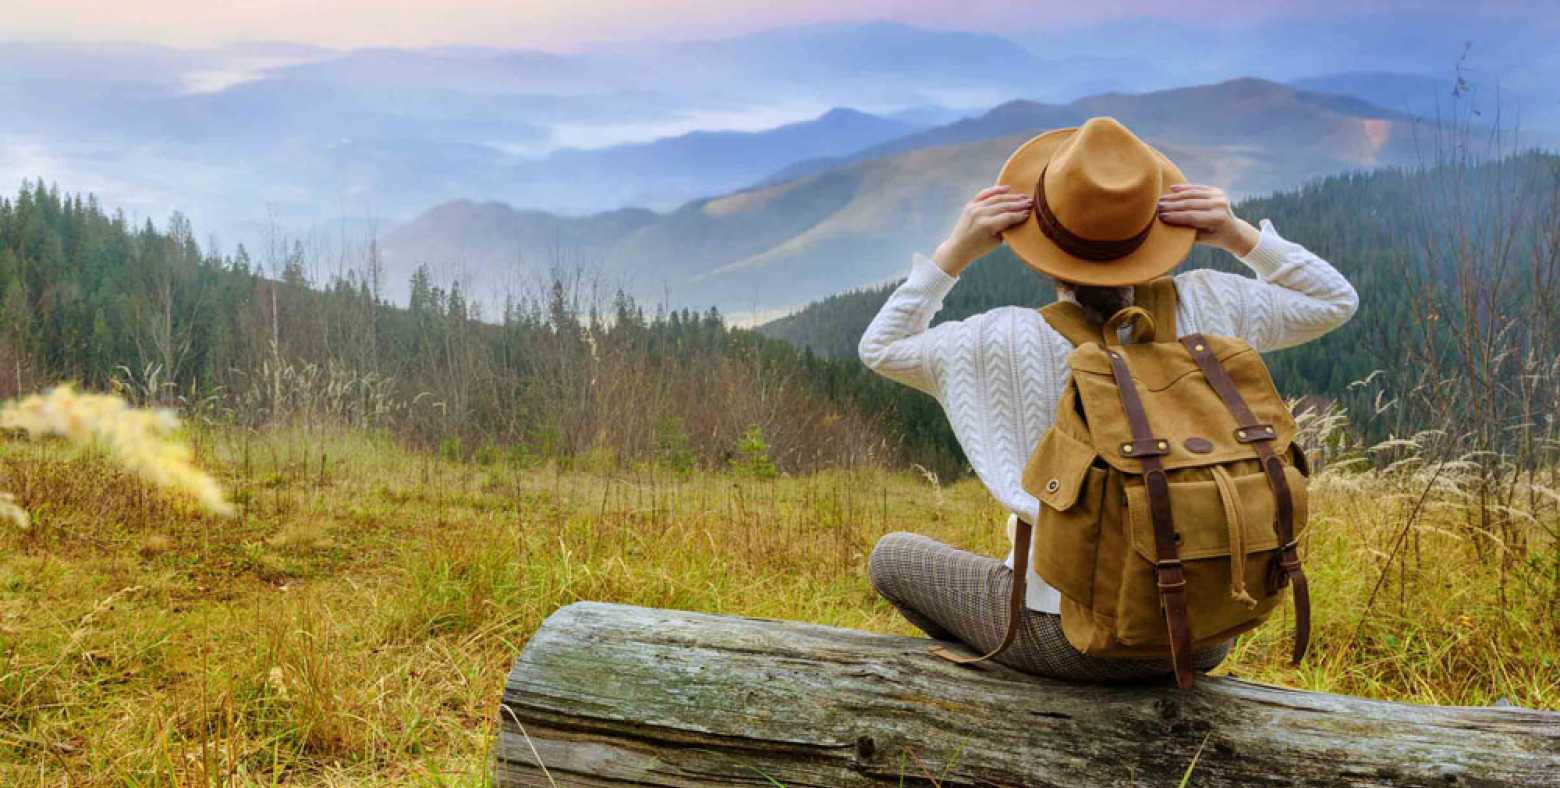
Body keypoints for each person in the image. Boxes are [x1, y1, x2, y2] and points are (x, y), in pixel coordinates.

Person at [858, 116, 1358, 681]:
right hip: (1204, 632)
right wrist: (1238, 234)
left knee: (893, 557)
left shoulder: (1000, 337)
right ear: (1157, 229)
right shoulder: (1212, 306)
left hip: (1065, 639)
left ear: (1034, 241)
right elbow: (1334, 300)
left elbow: (882, 346)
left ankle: (1027, 692)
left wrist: (956, 251)